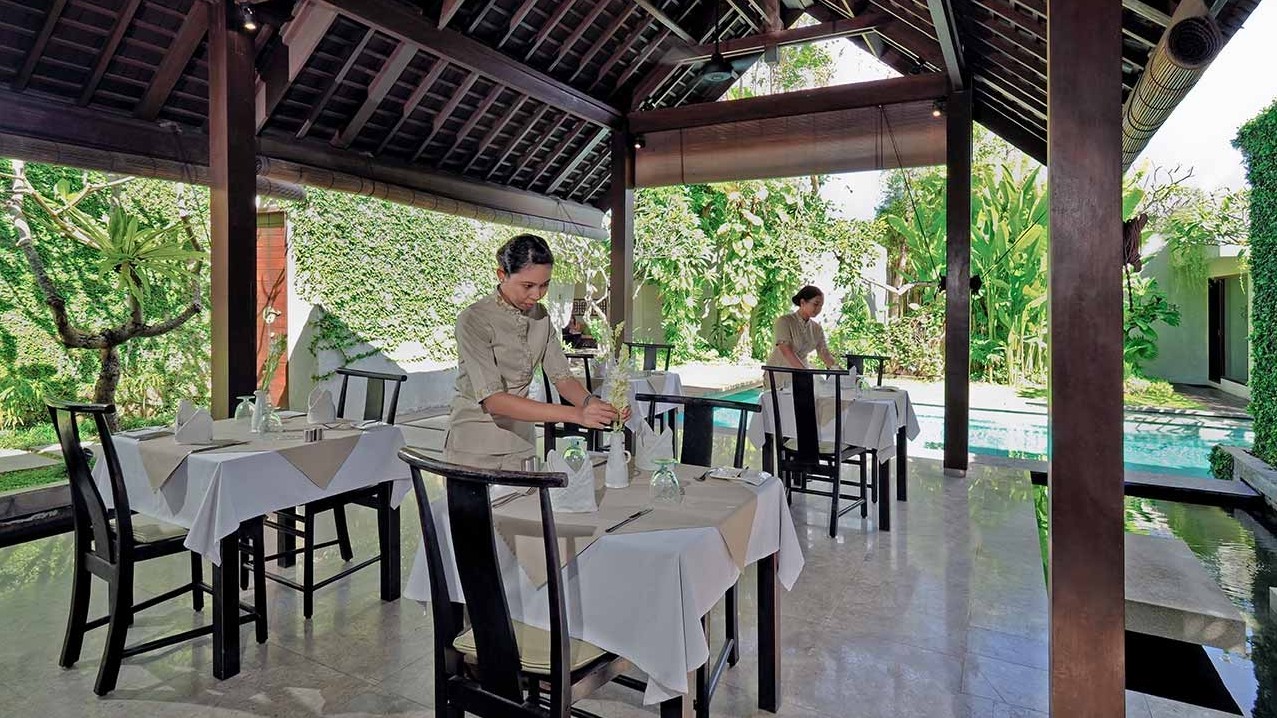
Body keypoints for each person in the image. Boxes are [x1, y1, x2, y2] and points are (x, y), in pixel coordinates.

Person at [446, 234, 626, 470]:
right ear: (502, 275)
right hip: (474, 447)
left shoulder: (541, 317)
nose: (537, 294)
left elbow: (563, 378)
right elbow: (493, 400)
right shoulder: (474, 319)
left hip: (522, 444)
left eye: (544, 285)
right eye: (528, 286)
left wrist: (593, 405)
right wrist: (577, 415)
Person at [767, 285, 840, 371]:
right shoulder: (784, 321)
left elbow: (824, 354)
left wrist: (842, 372)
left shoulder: (817, 328)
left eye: (821, 306)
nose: (818, 309)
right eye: (816, 304)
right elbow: (786, 351)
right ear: (802, 302)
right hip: (780, 371)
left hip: (802, 372)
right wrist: (805, 372)